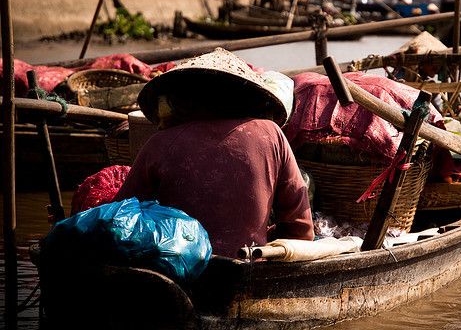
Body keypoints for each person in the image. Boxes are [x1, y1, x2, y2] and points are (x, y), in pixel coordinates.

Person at [115, 48, 314, 258]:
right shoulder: (271, 134)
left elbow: (118, 221)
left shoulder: (160, 143)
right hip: (249, 267)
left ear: (183, 99)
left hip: (179, 270)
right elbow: (301, 231)